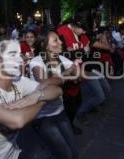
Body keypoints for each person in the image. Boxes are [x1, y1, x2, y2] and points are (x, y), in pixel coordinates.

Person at [0, 39, 63, 159]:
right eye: (12, 54)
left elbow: (57, 90)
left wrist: (37, 96)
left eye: (20, 55)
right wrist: (41, 101)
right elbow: (17, 121)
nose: (21, 60)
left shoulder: (19, 81)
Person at [29, 30, 78, 159]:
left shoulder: (61, 58)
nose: (61, 42)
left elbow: (79, 74)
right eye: (55, 40)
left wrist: (75, 69)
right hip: (43, 117)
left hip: (60, 112)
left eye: (59, 39)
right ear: (45, 45)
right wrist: (67, 74)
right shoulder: (36, 62)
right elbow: (44, 82)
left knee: (73, 152)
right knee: (64, 154)